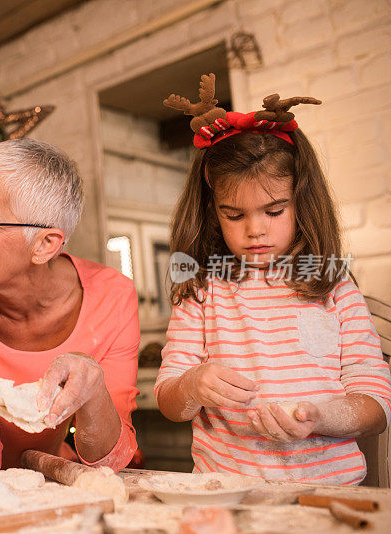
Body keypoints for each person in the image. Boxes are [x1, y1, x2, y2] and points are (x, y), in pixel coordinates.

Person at [155, 74, 391, 484]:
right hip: (227, 490)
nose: (255, 231)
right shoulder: (202, 290)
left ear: (302, 202)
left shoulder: (333, 284)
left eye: (274, 211)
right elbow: (170, 401)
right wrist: (192, 385)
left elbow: (375, 407)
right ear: (212, 213)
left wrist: (320, 416)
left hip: (328, 492)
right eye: (234, 215)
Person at [0, 138, 140, 471]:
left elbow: (112, 458)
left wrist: (95, 392)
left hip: (35, 465)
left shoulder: (113, 296)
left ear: (45, 245)